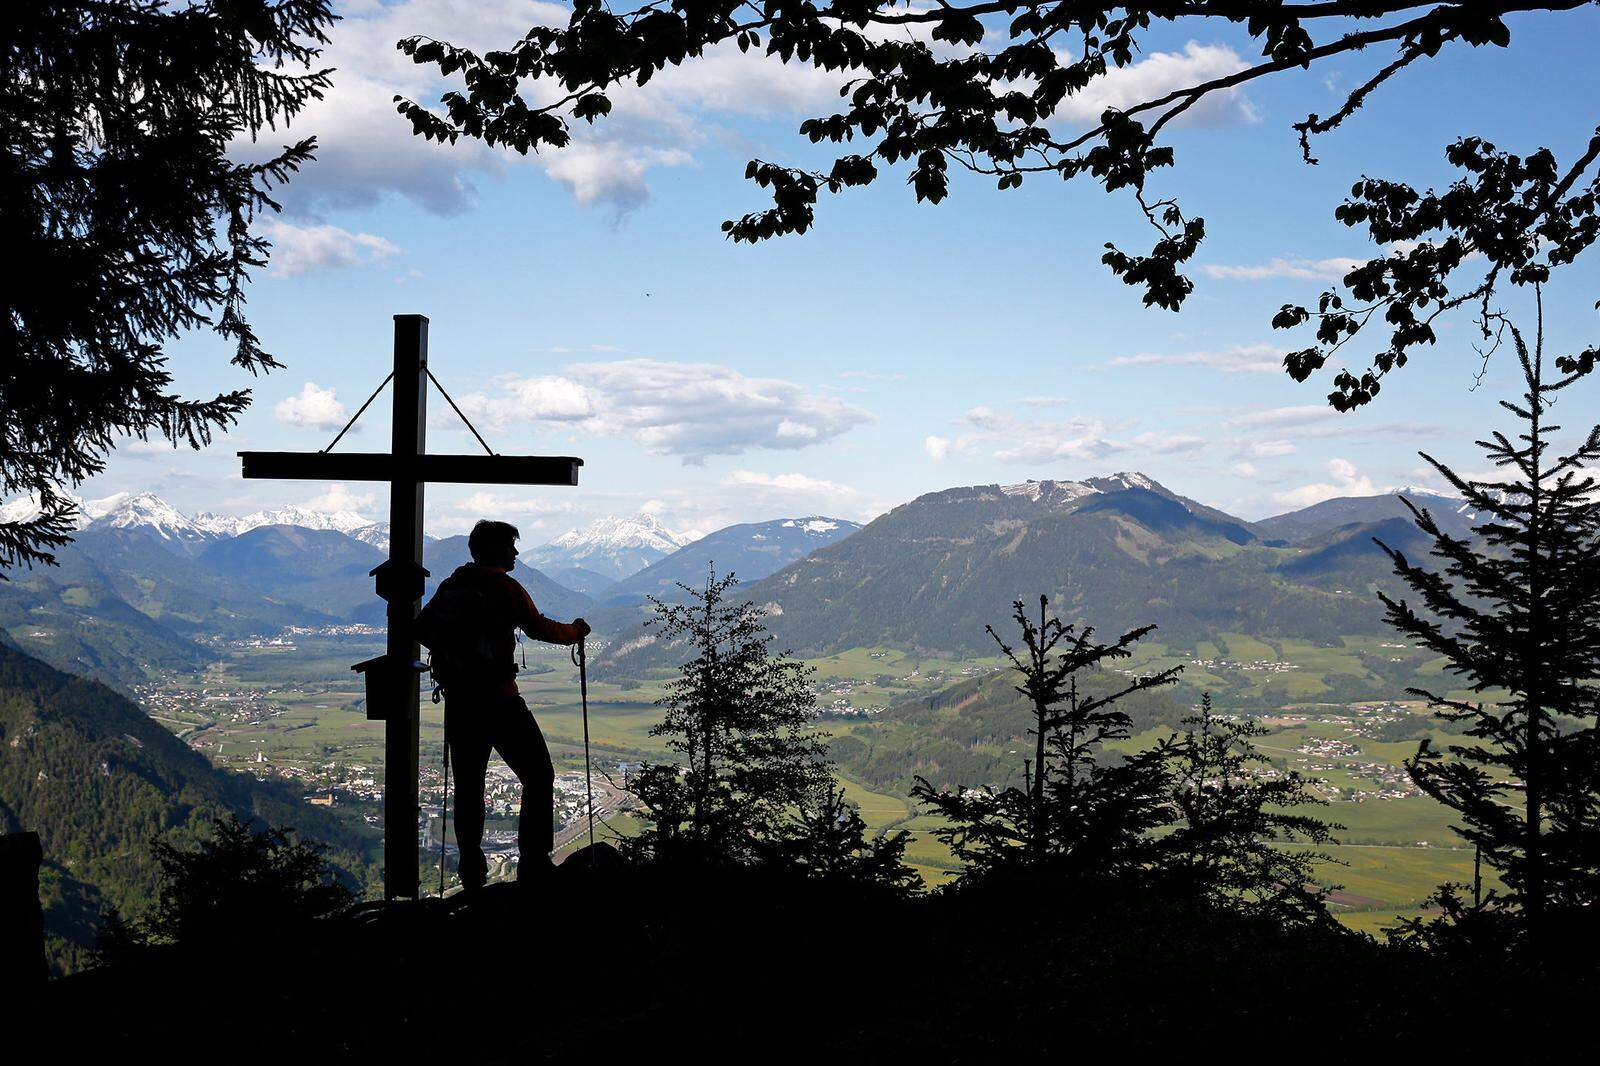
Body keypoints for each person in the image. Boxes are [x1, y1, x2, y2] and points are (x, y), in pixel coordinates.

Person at [420, 519, 589, 890]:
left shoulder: (453, 586)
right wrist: (576, 633)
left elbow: (422, 626)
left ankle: (471, 873)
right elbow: (538, 627)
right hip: (498, 699)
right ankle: (533, 862)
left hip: (460, 703)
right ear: (495, 550)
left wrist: (454, 657)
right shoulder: (505, 588)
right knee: (539, 774)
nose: (515, 553)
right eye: (511, 546)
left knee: (467, 787)